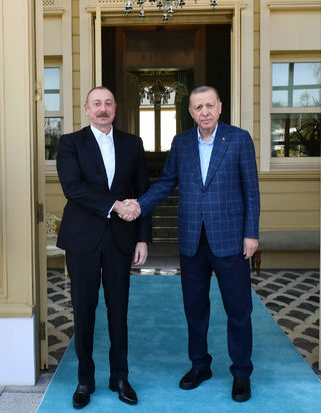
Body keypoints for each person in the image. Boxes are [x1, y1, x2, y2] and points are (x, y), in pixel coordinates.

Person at [123, 85, 260, 403]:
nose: (205, 112)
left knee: (238, 309)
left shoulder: (239, 139)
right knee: (195, 308)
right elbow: (166, 182)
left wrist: (251, 233)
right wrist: (140, 205)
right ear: (191, 112)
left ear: (220, 107)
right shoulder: (182, 142)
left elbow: (251, 190)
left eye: (210, 105)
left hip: (231, 239)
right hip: (192, 241)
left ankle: (241, 372)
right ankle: (200, 365)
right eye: (198, 108)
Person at [56, 86, 150, 409]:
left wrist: (143, 238)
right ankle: (85, 380)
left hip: (121, 239)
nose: (103, 108)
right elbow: (73, 188)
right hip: (82, 239)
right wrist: (115, 205)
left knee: (118, 311)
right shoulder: (70, 143)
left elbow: (143, 191)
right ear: (86, 109)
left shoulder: (132, 144)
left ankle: (120, 378)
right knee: (83, 311)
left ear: (115, 108)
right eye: (96, 103)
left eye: (108, 103)